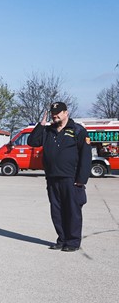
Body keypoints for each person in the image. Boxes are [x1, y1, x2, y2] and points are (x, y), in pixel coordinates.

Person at [27, 102, 91, 252]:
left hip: (71, 179)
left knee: (72, 211)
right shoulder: (48, 131)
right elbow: (32, 142)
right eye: (52, 113)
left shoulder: (77, 130)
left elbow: (86, 157)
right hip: (52, 178)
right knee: (56, 211)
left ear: (66, 112)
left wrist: (81, 180)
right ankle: (61, 239)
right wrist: (41, 124)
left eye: (58, 112)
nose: (55, 115)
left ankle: (73, 242)